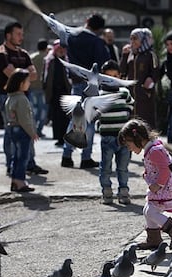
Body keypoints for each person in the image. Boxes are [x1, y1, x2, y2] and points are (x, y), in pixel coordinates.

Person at [118, 118, 172, 250]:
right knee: (148, 210)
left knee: (150, 211)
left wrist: (158, 185)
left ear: (137, 138)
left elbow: (165, 168)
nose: (129, 149)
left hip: (165, 188)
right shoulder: (152, 148)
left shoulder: (154, 150)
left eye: (129, 145)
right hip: (161, 187)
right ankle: (154, 239)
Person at [0, 21, 48, 175]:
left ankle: (29, 163)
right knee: (11, 131)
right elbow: (13, 76)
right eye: (18, 34)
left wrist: (21, 74)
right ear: (8, 35)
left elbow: (34, 75)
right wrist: (24, 74)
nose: (21, 37)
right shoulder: (1, 54)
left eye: (22, 34)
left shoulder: (23, 53)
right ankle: (11, 165)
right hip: (7, 98)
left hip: (25, 96)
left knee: (28, 128)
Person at [61, 14, 110, 169]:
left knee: (75, 118)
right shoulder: (97, 42)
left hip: (76, 83)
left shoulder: (72, 38)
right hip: (92, 85)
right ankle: (85, 157)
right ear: (100, 29)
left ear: (87, 22)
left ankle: (66, 155)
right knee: (88, 121)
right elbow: (103, 64)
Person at [98, 60, 134, 205]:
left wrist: (128, 113)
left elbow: (131, 105)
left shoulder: (124, 92)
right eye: (108, 77)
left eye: (115, 76)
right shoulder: (99, 94)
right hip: (107, 137)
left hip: (124, 138)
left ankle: (123, 191)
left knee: (123, 167)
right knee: (106, 166)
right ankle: (107, 192)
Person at [5, 68, 39, 192]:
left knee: (16, 156)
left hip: (13, 129)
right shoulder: (22, 99)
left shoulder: (10, 98)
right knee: (23, 157)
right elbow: (25, 119)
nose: (29, 83)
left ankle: (15, 180)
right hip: (22, 130)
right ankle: (20, 181)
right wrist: (32, 132)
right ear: (21, 84)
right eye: (27, 81)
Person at [120, 28, 160, 128]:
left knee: (145, 121)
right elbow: (122, 71)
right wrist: (124, 56)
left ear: (143, 39)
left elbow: (156, 72)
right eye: (131, 39)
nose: (132, 42)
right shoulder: (130, 54)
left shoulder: (150, 55)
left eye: (135, 39)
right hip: (131, 94)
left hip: (144, 94)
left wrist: (150, 81)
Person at [43, 40, 71, 147]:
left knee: (66, 117)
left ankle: (66, 137)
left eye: (63, 49)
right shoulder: (50, 61)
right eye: (59, 49)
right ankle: (59, 138)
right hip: (54, 93)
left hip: (66, 92)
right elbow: (45, 76)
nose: (61, 51)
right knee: (56, 117)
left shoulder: (68, 60)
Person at [29, 38, 48, 138]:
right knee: (43, 110)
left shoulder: (32, 57)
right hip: (43, 88)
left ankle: (33, 129)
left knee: (34, 110)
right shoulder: (47, 58)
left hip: (32, 87)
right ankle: (39, 129)